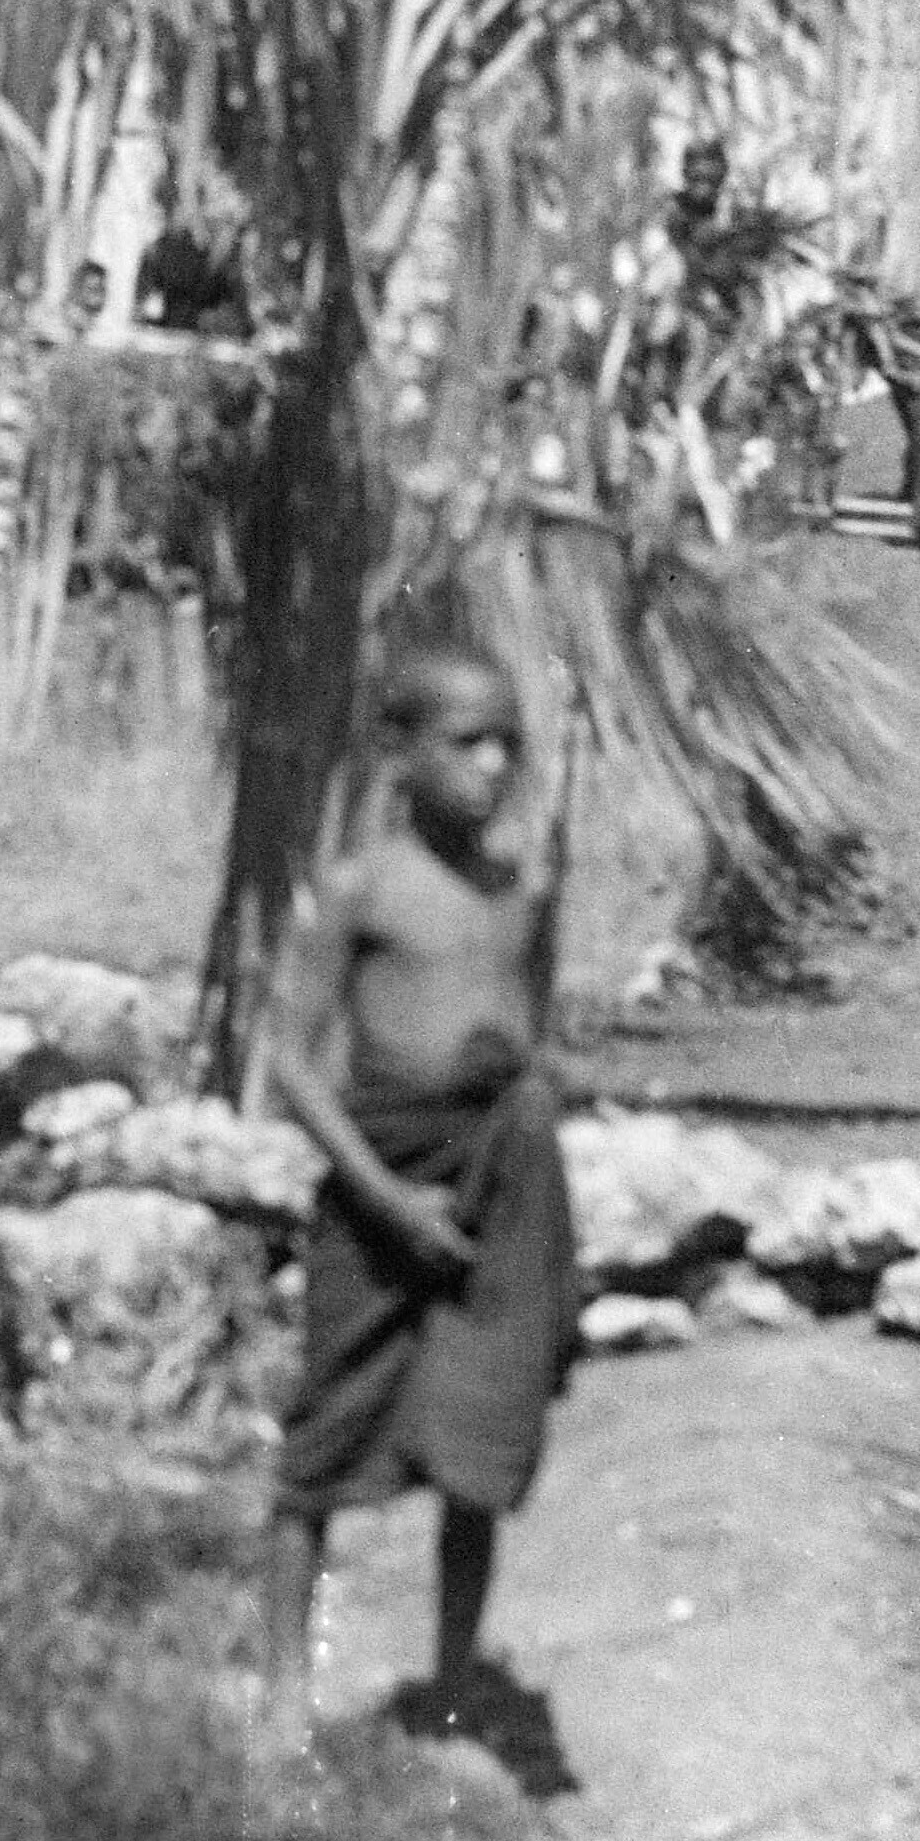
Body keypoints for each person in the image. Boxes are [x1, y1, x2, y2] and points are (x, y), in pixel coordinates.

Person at [262, 639, 581, 1760]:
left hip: (492, 1184)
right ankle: (283, 1697)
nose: (493, 766)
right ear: (400, 753)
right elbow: (292, 1062)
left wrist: (523, 1117)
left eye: (508, 745)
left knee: (478, 1439)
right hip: (377, 1191)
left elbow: (529, 1030)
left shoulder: (519, 892)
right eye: (467, 742)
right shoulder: (360, 889)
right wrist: (389, 1198)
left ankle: (452, 1689)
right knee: (320, 1444)